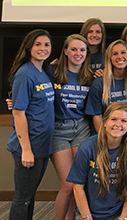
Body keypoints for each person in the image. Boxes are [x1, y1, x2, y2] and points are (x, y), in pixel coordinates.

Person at [67, 102, 127, 220]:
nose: (118, 124)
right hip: (88, 213)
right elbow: (78, 187)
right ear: (104, 122)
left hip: (119, 213)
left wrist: (123, 218)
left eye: (124, 121)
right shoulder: (86, 147)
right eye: (113, 119)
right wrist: (87, 216)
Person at [7, 29, 55, 220]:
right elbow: (18, 113)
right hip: (29, 146)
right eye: (37, 44)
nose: (42, 48)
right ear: (28, 47)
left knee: (29, 196)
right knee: (22, 198)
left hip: (42, 145)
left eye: (46, 44)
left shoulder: (43, 71)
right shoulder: (26, 74)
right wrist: (26, 149)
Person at [51, 34, 93, 220]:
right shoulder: (51, 72)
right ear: (66, 51)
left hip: (81, 129)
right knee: (68, 185)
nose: (78, 53)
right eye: (74, 49)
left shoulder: (89, 76)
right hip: (58, 130)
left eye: (82, 50)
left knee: (78, 183)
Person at [85, 40, 127, 132]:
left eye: (123, 52)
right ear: (109, 58)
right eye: (115, 53)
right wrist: (105, 140)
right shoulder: (99, 83)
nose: (120, 57)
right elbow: (97, 116)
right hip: (104, 132)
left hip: (126, 131)